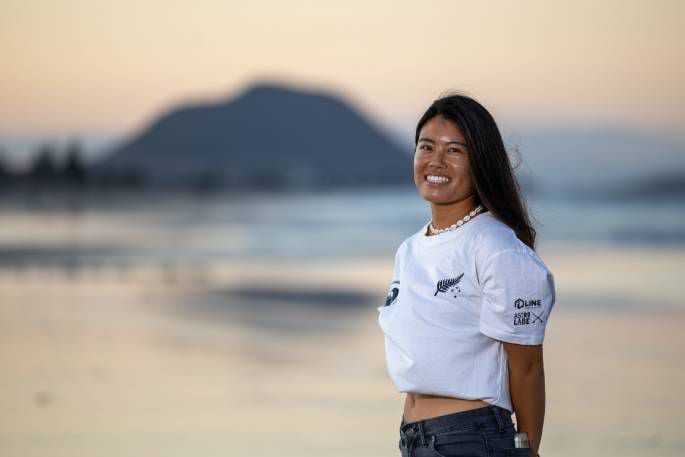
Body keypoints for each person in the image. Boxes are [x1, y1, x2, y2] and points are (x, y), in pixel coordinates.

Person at [377, 93, 556, 457]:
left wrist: (527, 449)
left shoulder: (497, 249)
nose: (436, 161)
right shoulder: (409, 250)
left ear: (480, 163)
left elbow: (527, 368)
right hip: (413, 438)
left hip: (470, 439)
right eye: (426, 147)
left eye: (454, 151)